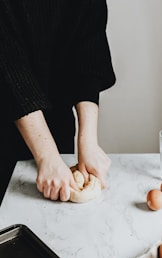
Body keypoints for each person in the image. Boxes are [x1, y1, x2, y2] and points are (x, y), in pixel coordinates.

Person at [0, 0, 116, 203]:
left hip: (57, 122)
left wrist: (87, 141)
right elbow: (7, 62)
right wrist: (46, 155)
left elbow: (89, 45)